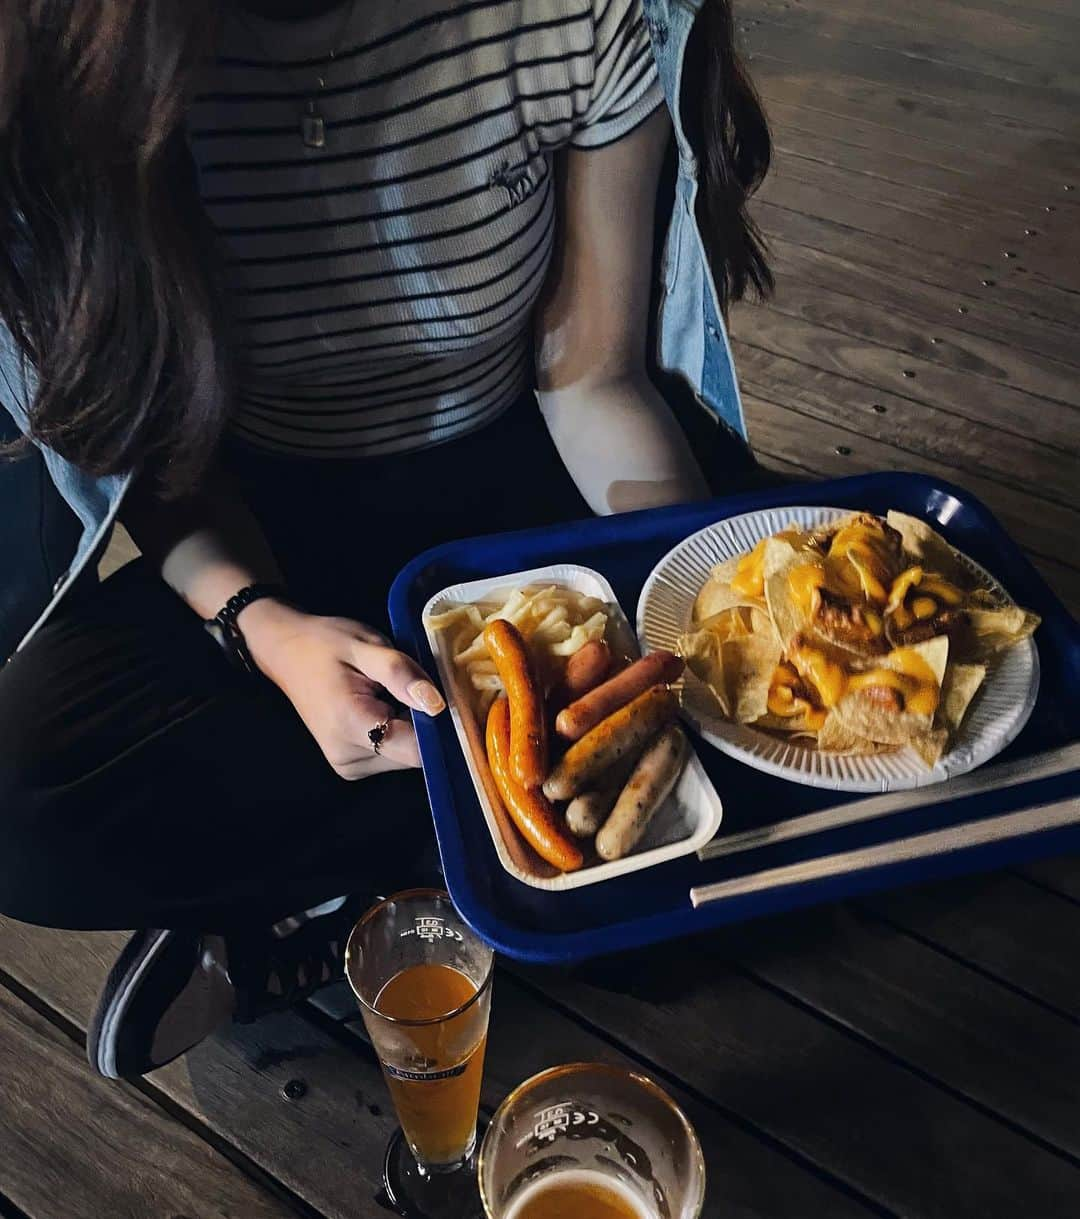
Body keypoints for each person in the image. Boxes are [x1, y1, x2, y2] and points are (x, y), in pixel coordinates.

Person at [0, 0, 771, 1079]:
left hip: (528, 475)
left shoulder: (575, 16)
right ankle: (437, 864)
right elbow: (157, 453)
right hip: (271, 520)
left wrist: (680, 590)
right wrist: (261, 628)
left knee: (734, 874)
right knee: (22, 798)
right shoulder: (99, 62)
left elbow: (592, 380)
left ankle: (333, 897)